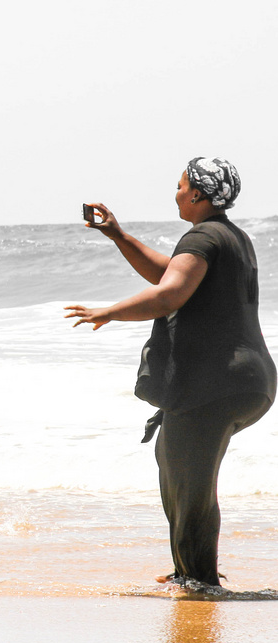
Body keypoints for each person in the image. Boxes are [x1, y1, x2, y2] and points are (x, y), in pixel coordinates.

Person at [66, 158, 275, 590]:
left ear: (198, 193)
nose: (176, 193)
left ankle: (200, 584)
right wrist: (118, 235)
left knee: (190, 482)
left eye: (180, 186)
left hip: (217, 382)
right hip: (246, 379)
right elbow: (170, 273)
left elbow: (169, 294)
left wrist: (108, 311)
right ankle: (189, 570)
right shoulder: (230, 237)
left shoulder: (202, 236)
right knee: (175, 461)